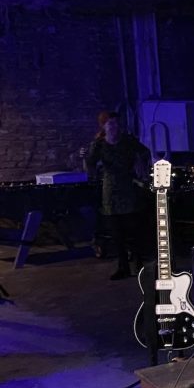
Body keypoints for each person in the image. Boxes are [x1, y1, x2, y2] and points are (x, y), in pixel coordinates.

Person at [84, 111, 152, 279]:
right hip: (111, 190)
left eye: (116, 123)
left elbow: (145, 152)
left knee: (133, 229)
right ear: (104, 126)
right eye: (111, 124)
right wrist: (85, 158)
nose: (114, 127)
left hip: (128, 187)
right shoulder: (99, 145)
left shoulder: (127, 141)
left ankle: (138, 265)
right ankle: (123, 267)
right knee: (116, 232)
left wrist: (139, 164)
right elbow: (90, 164)